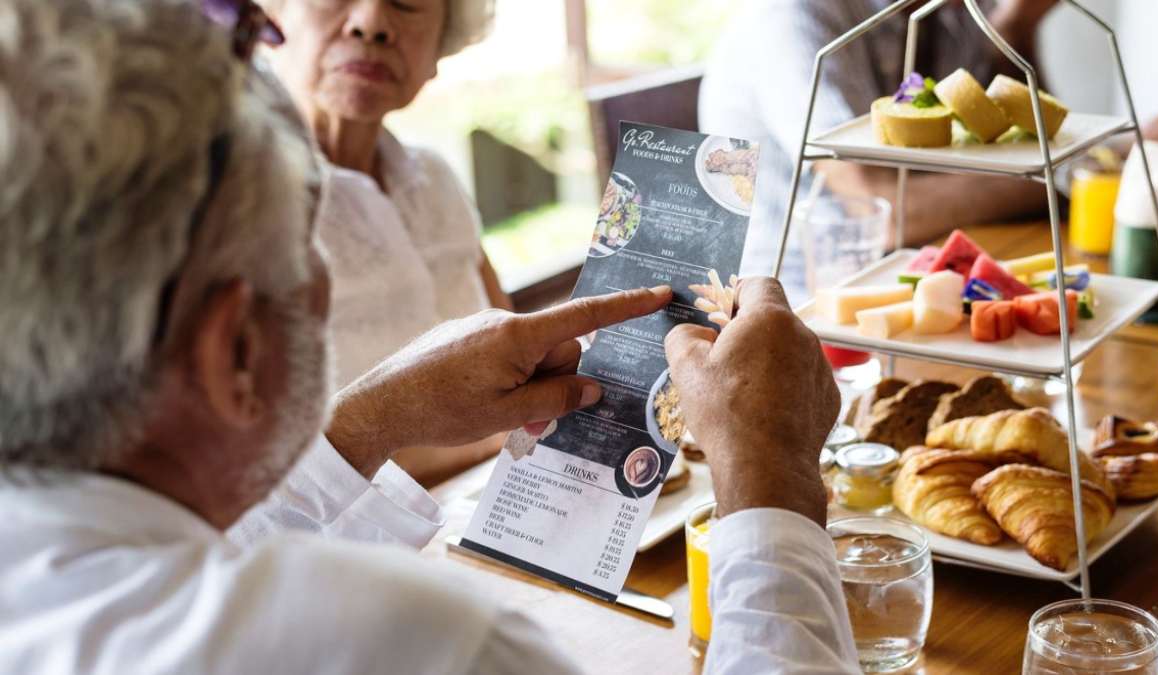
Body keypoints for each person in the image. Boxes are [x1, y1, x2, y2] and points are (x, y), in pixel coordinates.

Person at [0, 1, 859, 672]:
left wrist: (369, 418)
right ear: (235, 353)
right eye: (306, 244)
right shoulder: (414, 643)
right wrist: (773, 472)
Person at [261, 0, 509, 484]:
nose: (371, 23)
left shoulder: (436, 180)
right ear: (271, 16)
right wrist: (506, 436)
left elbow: (517, 344)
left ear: (442, 41)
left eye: (407, 3)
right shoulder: (230, 207)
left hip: (486, 522)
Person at [700, 0, 1061, 300]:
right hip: (791, 303)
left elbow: (1021, 138)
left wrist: (1013, 31)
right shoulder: (792, 19)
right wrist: (1053, 184)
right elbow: (884, 209)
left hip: (912, 270)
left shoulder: (954, 13)